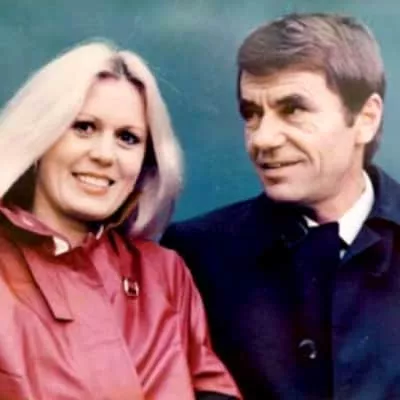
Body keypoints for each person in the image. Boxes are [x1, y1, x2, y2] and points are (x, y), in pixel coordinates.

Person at [161, 12, 399, 400]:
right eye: (252, 114)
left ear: (365, 119)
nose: (263, 139)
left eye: (293, 109)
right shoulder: (197, 255)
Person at [0, 39, 241, 400]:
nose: (104, 155)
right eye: (84, 127)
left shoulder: (164, 274)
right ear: (41, 138)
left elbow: (212, 388)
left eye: (127, 138)